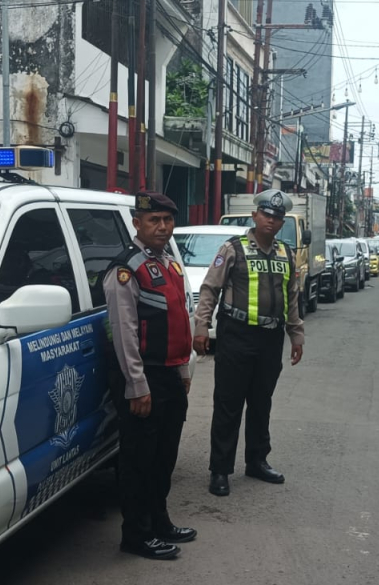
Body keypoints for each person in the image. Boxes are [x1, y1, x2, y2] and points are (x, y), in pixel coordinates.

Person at [103, 191, 197, 560]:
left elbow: (180, 321)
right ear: (136, 223)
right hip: (144, 378)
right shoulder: (126, 269)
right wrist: (137, 386)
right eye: (154, 220)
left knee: (164, 456)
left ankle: (160, 521)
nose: (162, 227)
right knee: (139, 460)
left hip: (170, 374)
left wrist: (184, 368)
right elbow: (125, 333)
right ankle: (137, 535)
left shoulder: (168, 262)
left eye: (167, 220)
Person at [193, 188, 304, 497]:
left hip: (270, 338)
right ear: (255, 215)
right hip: (236, 335)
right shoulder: (233, 249)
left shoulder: (286, 253)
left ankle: (257, 461)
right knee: (228, 404)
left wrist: (296, 334)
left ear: (282, 222)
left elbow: (291, 297)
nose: (271, 220)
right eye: (266, 214)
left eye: (277, 217)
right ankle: (220, 470)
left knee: (261, 403)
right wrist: (201, 328)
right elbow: (209, 290)